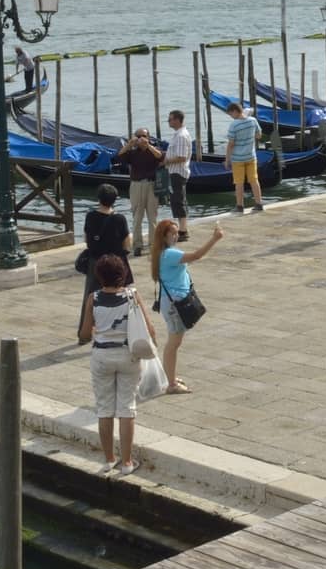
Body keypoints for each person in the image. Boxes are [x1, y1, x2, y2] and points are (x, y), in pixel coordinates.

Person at [78, 253, 157, 475]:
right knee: (127, 407)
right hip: (127, 356)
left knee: (104, 408)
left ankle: (109, 459)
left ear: (99, 277)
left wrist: (97, 330)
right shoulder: (132, 295)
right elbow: (150, 329)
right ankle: (127, 462)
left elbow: (84, 334)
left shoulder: (93, 298)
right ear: (122, 275)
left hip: (101, 357)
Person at [151, 219, 224, 394]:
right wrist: (215, 238)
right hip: (175, 304)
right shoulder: (169, 255)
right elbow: (197, 256)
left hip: (173, 301)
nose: (176, 236)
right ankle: (171, 384)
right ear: (164, 236)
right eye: (172, 233)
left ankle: (171, 376)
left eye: (177, 233)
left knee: (175, 342)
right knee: (173, 343)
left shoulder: (164, 253)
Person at [76, 183, 132, 344]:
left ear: (99, 199)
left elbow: (87, 240)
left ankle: (83, 333)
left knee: (89, 297)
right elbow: (126, 243)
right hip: (115, 262)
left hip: (95, 261)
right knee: (120, 295)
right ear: (115, 200)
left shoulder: (90, 216)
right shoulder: (120, 219)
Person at [118, 127, 162, 255]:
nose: (141, 138)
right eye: (138, 136)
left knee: (152, 216)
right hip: (136, 185)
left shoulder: (153, 149)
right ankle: (137, 245)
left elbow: (160, 156)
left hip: (151, 184)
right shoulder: (132, 152)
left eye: (143, 136)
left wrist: (148, 146)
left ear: (148, 137)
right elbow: (119, 157)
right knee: (137, 216)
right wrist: (129, 144)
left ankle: (153, 244)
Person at [222, 101, 265, 214]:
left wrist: (227, 159)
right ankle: (259, 203)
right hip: (251, 156)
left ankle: (240, 206)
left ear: (235, 111)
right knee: (254, 180)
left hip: (238, 159)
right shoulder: (253, 120)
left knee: (239, 183)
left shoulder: (234, 125)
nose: (231, 117)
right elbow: (259, 135)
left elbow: (231, 144)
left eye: (231, 114)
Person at [163, 109, 193, 241]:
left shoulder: (181, 136)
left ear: (176, 120)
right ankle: (183, 228)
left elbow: (181, 157)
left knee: (178, 201)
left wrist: (166, 161)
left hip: (177, 172)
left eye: (170, 119)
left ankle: (183, 230)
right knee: (177, 200)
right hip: (176, 171)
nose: (168, 122)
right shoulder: (179, 134)